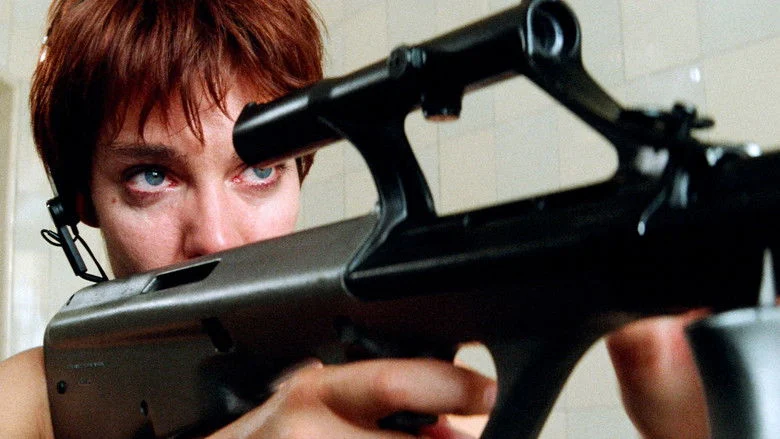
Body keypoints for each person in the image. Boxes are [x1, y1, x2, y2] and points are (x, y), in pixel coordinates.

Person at [0, 0, 709, 438]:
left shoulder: (405, 403)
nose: (214, 234)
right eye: (151, 177)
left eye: (259, 168)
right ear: (82, 204)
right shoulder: (27, 401)